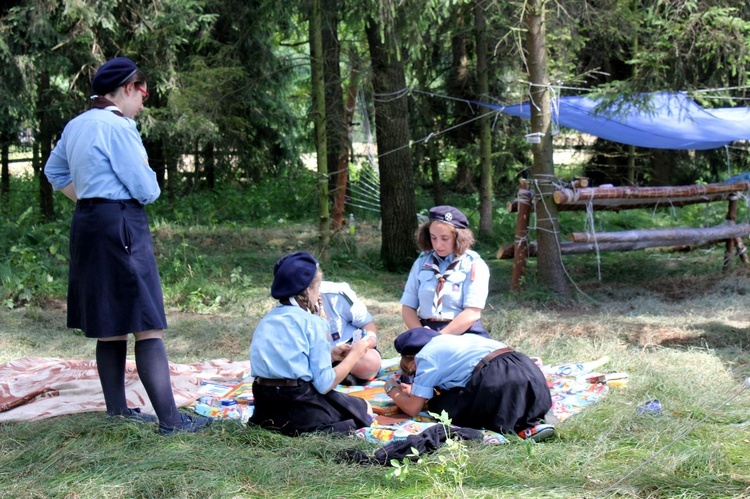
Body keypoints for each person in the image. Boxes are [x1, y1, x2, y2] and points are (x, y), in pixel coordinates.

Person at [44, 57, 211, 435]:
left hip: (88, 223)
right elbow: (147, 189)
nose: (144, 101)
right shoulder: (118, 127)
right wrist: (113, 201)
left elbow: (54, 172)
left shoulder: (77, 124)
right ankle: (171, 421)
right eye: (143, 93)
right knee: (147, 323)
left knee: (110, 323)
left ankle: (117, 413)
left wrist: (87, 198)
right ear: (126, 88)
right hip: (121, 224)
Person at [249, 252, 375, 436]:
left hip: (265, 405)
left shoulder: (267, 320)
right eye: (318, 288)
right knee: (364, 409)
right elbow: (325, 384)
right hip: (298, 403)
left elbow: (285, 360)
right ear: (308, 290)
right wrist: (355, 354)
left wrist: (330, 355)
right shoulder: (313, 322)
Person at [385, 327, 555, 442]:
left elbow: (412, 408)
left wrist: (392, 389)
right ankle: (536, 417)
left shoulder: (425, 357)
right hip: (528, 370)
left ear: (411, 359)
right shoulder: (458, 340)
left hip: (499, 380)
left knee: (441, 405)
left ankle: (522, 428)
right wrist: (417, 390)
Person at [401, 205, 490, 336]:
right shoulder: (422, 262)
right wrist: (420, 334)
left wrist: (439, 338)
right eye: (433, 237)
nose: (437, 245)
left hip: (464, 333)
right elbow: (408, 307)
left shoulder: (473, 264)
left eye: (445, 238)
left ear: (459, 237)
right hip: (425, 330)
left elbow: (472, 312)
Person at [318, 281, 382, 384]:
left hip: (354, 345)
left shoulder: (335, 293)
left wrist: (369, 342)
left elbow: (367, 323)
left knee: (369, 362)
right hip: (324, 362)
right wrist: (331, 356)